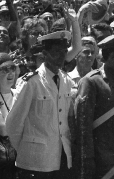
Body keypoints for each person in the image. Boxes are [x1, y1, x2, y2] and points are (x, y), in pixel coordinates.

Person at [6, 30, 74, 179]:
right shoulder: (31, 82)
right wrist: (27, 148)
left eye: (64, 51)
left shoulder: (67, 81)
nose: (62, 56)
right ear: (45, 54)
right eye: (56, 51)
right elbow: (13, 123)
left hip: (61, 158)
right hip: (35, 161)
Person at [73, 31, 114, 179]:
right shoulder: (92, 82)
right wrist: (87, 165)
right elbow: (83, 128)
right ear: (112, 56)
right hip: (100, 164)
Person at [0, 53, 16, 179]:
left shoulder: (20, 93)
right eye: (5, 69)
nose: (10, 73)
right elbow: (3, 129)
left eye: (12, 68)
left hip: (19, 161)